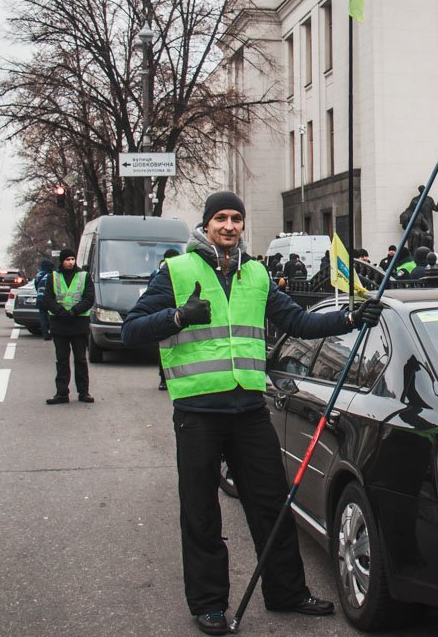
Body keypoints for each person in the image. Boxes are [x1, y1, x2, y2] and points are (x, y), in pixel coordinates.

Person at [120, 191, 381, 635]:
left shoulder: (257, 273)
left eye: (235, 218)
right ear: (206, 225)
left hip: (248, 410)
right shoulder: (177, 271)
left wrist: (351, 319)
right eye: (220, 218)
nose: (228, 225)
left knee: (271, 504)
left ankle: (287, 593)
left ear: (242, 225)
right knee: (201, 511)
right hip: (198, 413)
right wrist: (180, 317)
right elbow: (131, 331)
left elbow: (298, 322)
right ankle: (208, 604)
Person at [42, 248, 95, 405]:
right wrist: (60, 311)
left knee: (80, 359)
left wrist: (73, 311)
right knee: (62, 360)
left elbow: (89, 298)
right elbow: (48, 298)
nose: (70, 262)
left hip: (78, 324)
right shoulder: (53, 277)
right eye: (67, 259)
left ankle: (83, 392)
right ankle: (62, 393)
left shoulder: (84, 276)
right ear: (62, 261)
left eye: (72, 259)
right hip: (60, 324)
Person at [152, 248, 181, 390]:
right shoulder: (157, 274)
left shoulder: (182, 272)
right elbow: (152, 293)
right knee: (164, 348)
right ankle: (163, 378)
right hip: (163, 315)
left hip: (180, 315)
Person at [33, 258, 54, 340]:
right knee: (52, 316)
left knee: (43, 317)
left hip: (40, 298)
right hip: (49, 299)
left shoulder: (38, 275)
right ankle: (52, 332)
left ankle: (45, 334)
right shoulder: (52, 275)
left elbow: (36, 286)